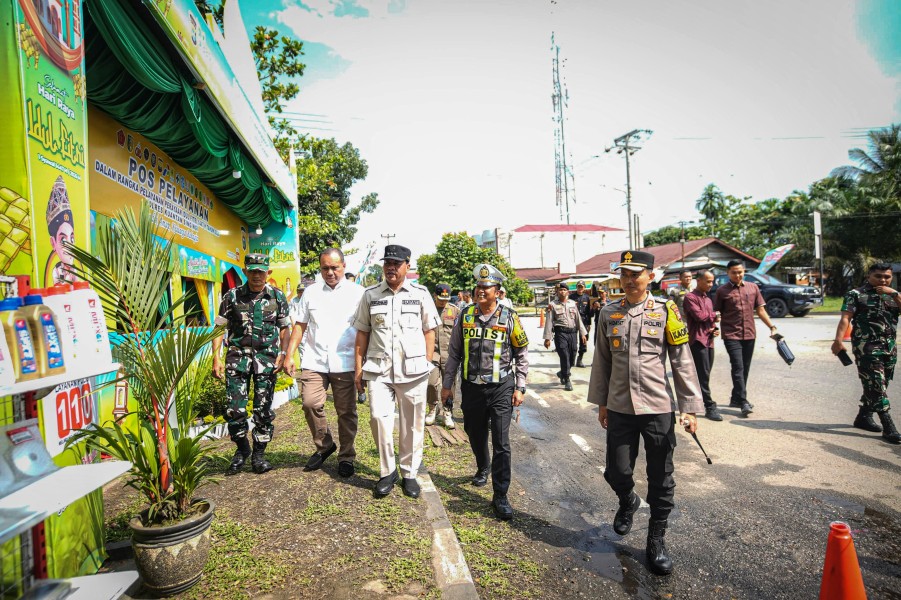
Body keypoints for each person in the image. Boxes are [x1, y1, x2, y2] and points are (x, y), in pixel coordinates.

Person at [587, 250, 703, 576]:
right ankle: (628, 501)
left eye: (635, 273)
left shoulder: (667, 311)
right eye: (624, 273)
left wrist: (690, 407)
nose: (628, 279)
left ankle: (656, 539)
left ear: (651, 276)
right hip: (621, 407)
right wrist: (602, 402)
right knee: (616, 471)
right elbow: (602, 362)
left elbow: (681, 361)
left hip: (657, 408)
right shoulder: (609, 313)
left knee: (661, 478)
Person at [441, 263, 529, 520]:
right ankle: (483, 466)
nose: (481, 291)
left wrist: (520, 386)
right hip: (471, 388)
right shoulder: (465, 316)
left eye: (486, 287)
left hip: (502, 387)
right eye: (478, 286)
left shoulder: (510, 317)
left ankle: (500, 495)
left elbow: (522, 353)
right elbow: (454, 353)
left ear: (497, 291)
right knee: (474, 432)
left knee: (501, 442)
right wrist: (447, 386)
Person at [353, 245, 440, 499]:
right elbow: (362, 333)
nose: (391, 267)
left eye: (396, 263)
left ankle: (409, 473)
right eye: (387, 263)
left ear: (407, 266)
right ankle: (387, 471)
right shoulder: (370, 295)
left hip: (413, 371)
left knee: (411, 425)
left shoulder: (421, 294)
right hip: (378, 369)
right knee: (379, 419)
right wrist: (358, 370)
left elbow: (429, 331)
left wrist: (425, 363)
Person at [284, 248, 365, 478]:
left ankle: (347, 456)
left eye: (334, 268)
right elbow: (300, 326)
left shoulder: (358, 293)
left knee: (346, 412)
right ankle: (325, 444)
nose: (330, 273)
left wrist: (363, 362)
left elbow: (364, 330)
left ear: (344, 266)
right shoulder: (310, 293)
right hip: (315, 359)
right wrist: (290, 354)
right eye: (325, 268)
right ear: (320, 268)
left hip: (346, 360)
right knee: (310, 403)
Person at [213, 253, 292, 475]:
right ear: (245, 271)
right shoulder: (232, 296)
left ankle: (259, 454)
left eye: (261, 271)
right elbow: (220, 327)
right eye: (253, 271)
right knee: (234, 409)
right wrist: (216, 357)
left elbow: (285, 327)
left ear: (268, 273)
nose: (257, 275)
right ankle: (242, 449)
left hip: (266, 362)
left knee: (263, 411)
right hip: (237, 361)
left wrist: (284, 353)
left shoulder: (277, 296)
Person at [831, 263, 901, 444]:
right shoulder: (856, 294)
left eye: (887, 276)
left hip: (889, 346)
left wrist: (892, 293)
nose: (883, 280)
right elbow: (845, 318)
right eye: (878, 276)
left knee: (880, 382)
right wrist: (838, 340)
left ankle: (863, 416)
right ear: (868, 275)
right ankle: (888, 426)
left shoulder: (893, 295)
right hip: (867, 347)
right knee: (877, 384)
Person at [713, 260, 779, 417]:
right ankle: (743, 401)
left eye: (740, 272)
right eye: (734, 272)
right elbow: (717, 313)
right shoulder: (722, 291)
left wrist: (772, 326)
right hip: (731, 334)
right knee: (738, 367)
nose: (737, 275)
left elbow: (761, 310)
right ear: (728, 273)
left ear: (744, 272)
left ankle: (736, 398)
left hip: (749, 333)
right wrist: (713, 328)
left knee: (745, 367)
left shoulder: (753, 287)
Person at [682, 270, 722, 421]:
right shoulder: (690, 297)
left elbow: (709, 321)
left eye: (712, 281)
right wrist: (715, 315)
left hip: (709, 340)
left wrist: (714, 329)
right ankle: (709, 406)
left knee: (704, 374)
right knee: (703, 375)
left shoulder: (708, 299)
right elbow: (699, 316)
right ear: (698, 281)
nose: (711, 284)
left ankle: (694, 403)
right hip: (697, 341)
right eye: (708, 281)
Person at [426, 283, 461, 430]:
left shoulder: (455, 311)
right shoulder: (427, 309)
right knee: (430, 383)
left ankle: (447, 411)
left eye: (445, 299)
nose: (443, 302)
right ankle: (433, 408)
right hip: (432, 354)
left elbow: (460, 334)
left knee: (449, 385)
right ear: (434, 295)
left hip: (450, 355)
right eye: (440, 298)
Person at [543, 283, 587, 391]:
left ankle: (562, 372)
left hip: (572, 333)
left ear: (568, 292)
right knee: (564, 356)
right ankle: (567, 379)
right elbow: (549, 321)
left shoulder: (572, 304)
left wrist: (583, 333)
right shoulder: (552, 305)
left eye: (564, 290)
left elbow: (578, 319)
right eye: (560, 290)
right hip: (560, 333)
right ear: (557, 292)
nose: (562, 291)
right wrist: (547, 338)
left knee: (572, 356)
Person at [569, 281, 593, 367]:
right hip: (574, 321)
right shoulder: (571, 297)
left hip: (584, 321)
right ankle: (571, 360)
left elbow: (588, 312)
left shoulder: (586, 297)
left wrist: (589, 324)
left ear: (584, 288)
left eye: (582, 287)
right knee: (572, 341)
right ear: (576, 287)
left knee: (584, 341)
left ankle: (580, 360)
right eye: (578, 287)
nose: (580, 288)